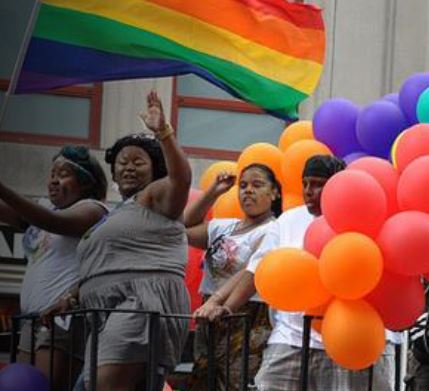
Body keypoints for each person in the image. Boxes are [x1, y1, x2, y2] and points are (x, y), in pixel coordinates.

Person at [201, 155, 396, 390]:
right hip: (291, 339)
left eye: (317, 184)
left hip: (350, 341)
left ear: (338, 184)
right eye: (305, 184)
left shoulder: (365, 216)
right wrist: (222, 303)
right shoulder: (288, 220)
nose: (308, 191)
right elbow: (257, 269)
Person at [76, 91, 192, 391]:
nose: (128, 167)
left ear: (154, 168)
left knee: (106, 386)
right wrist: (71, 295)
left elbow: (182, 178)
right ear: (113, 171)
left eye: (138, 162)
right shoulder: (117, 213)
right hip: (105, 310)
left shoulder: (155, 196)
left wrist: (164, 133)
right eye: (122, 162)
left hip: (142, 302)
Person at [0, 145, 108, 390]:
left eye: (63, 174)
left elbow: (54, 222)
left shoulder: (93, 209)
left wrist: (4, 190)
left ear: (85, 182)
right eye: (52, 174)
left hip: (63, 319)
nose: (54, 181)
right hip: (31, 320)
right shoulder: (44, 209)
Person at [185, 164, 282, 390]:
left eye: (257, 185)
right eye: (243, 185)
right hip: (209, 312)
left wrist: (220, 305)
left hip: (246, 313)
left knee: (234, 382)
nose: (248, 190)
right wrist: (215, 191)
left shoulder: (273, 230)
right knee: (203, 377)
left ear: (274, 192)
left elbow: (250, 272)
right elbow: (184, 225)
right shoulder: (224, 227)